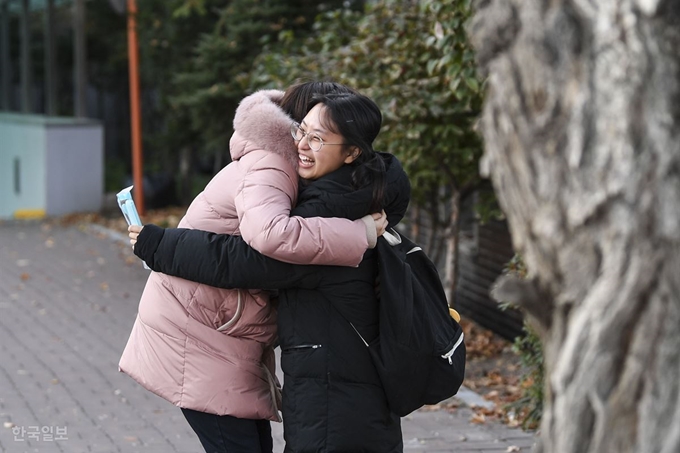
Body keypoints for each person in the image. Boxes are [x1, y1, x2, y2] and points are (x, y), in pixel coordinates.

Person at [129, 92, 411, 452]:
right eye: (300, 131)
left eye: (317, 137)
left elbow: (258, 255)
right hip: (205, 339)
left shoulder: (329, 204)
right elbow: (259, 251)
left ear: (352, 152)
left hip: (319, 380)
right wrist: (159, 245)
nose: (303, 145)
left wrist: (160, 245)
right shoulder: (321, 186)